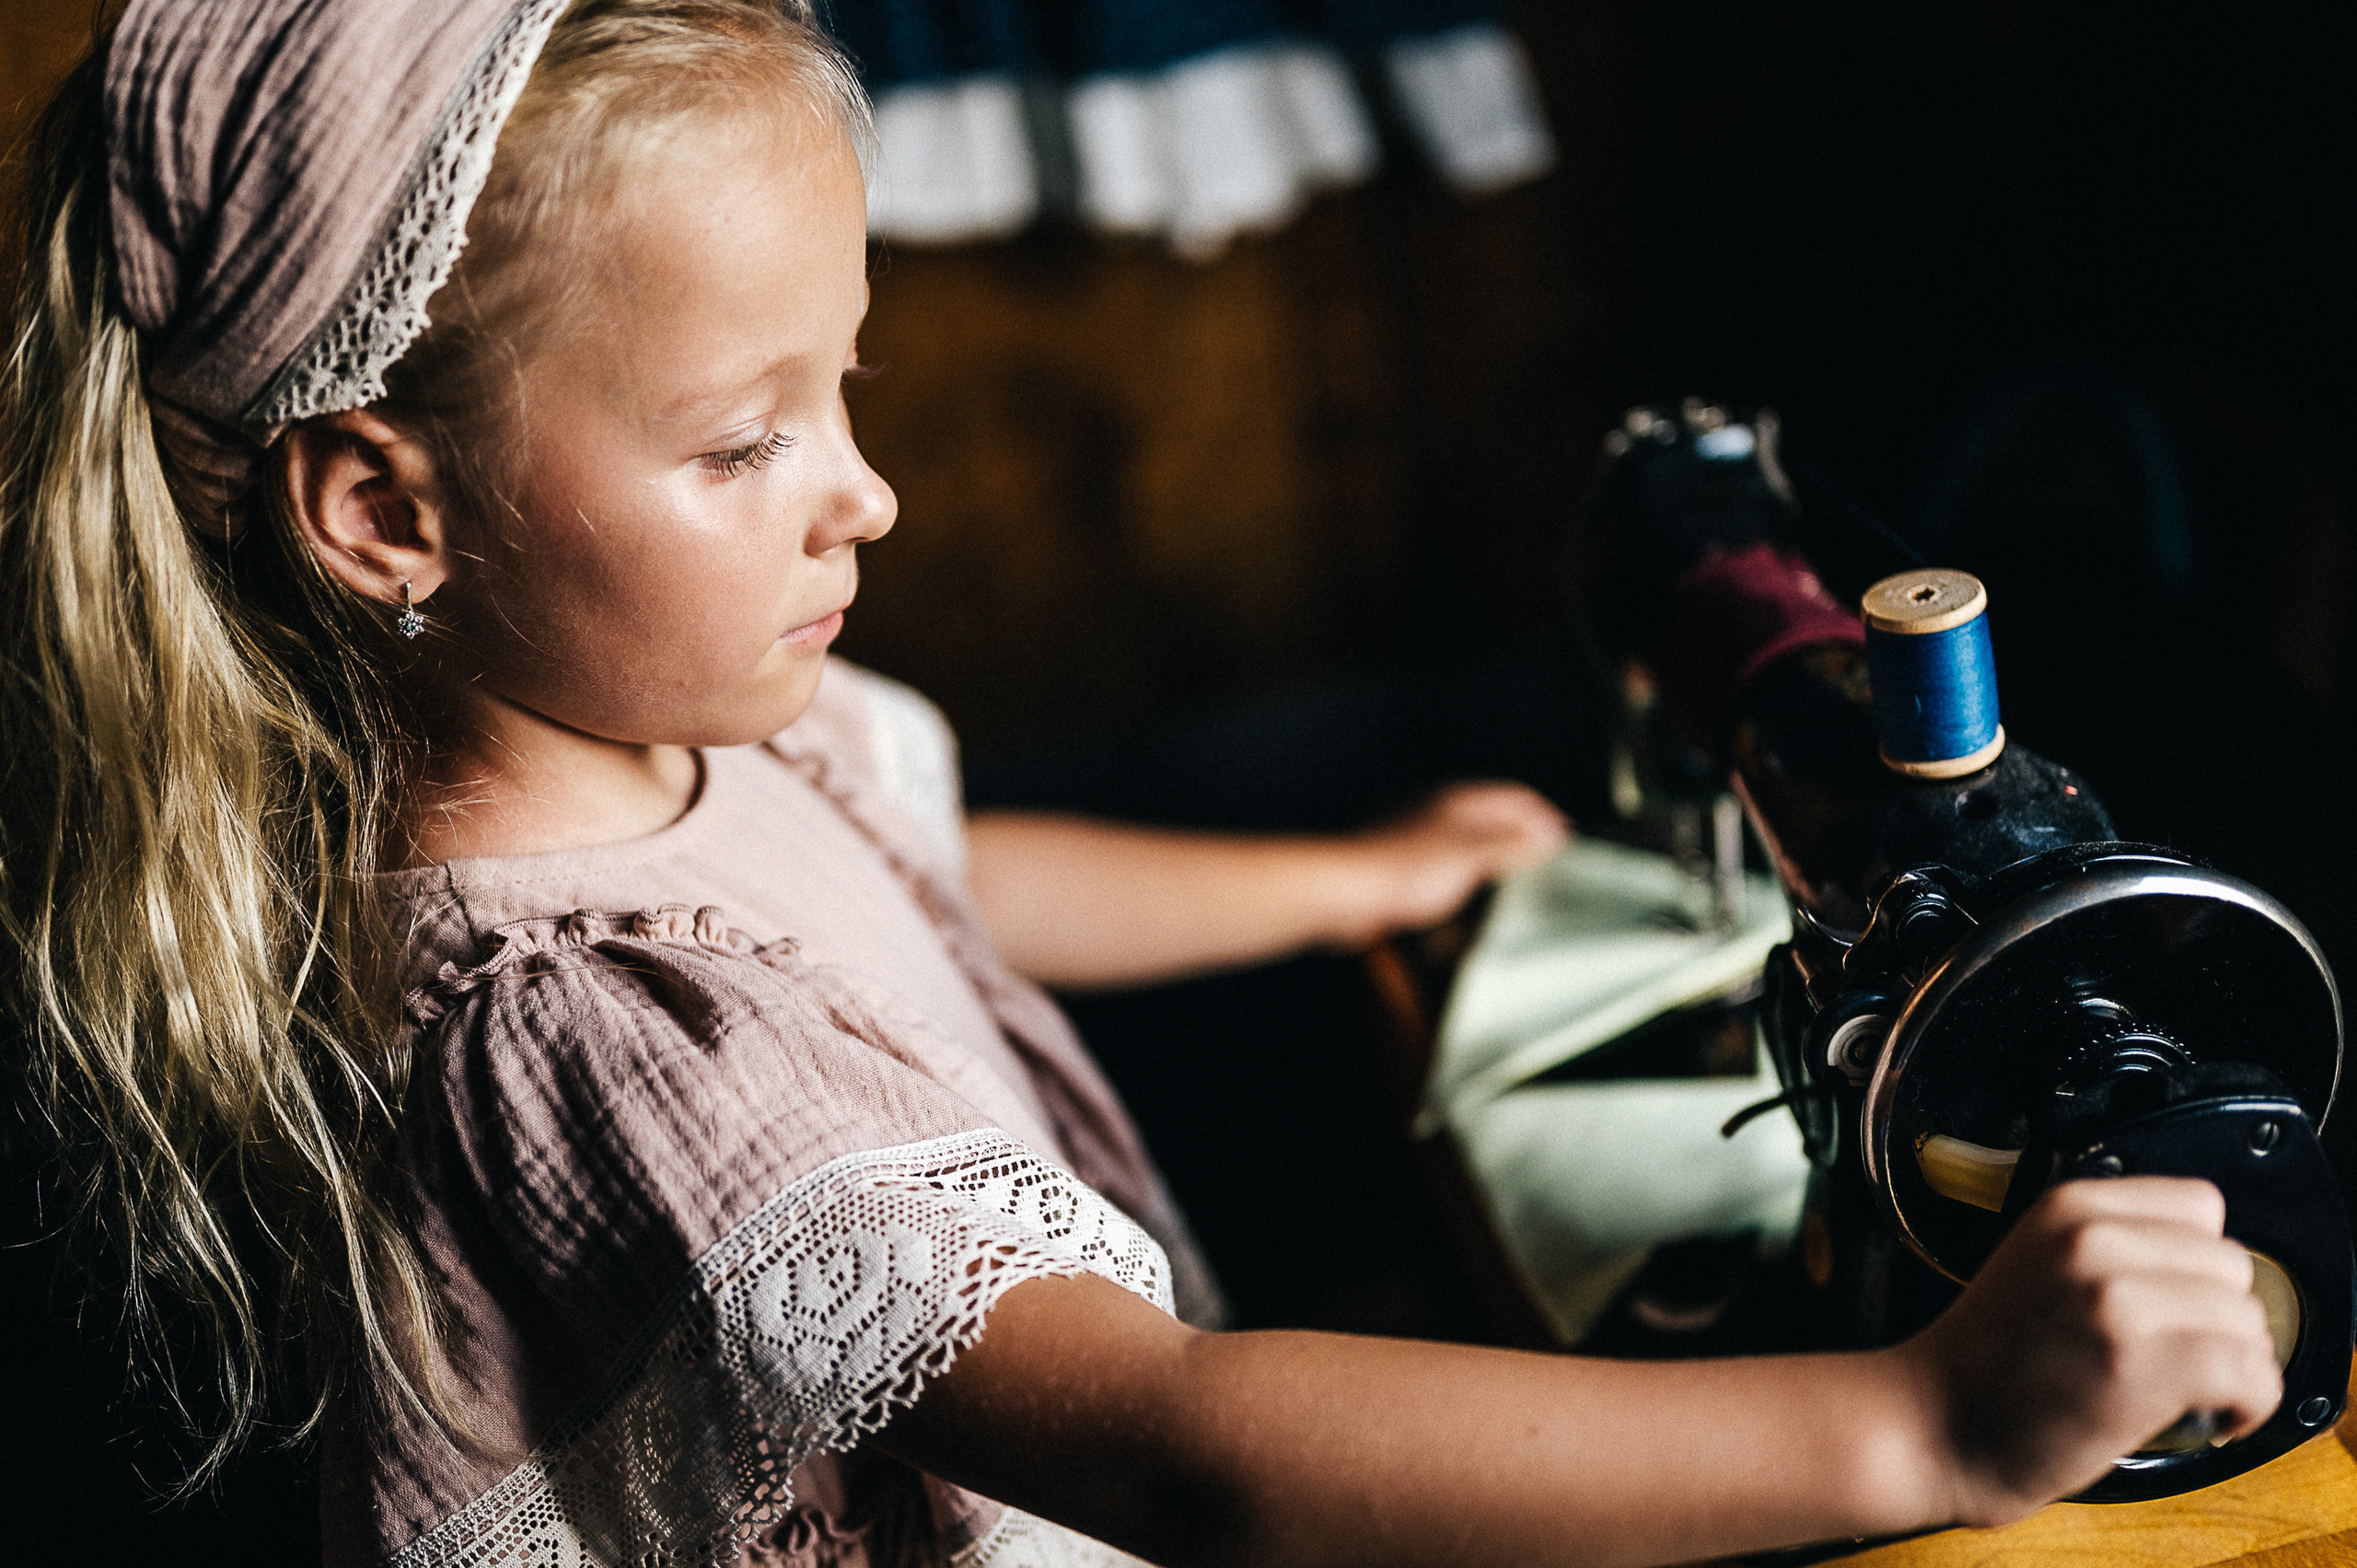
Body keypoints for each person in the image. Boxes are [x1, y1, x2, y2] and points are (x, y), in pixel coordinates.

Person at [0, 4, 2282, 1566]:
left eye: (844, 391)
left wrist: (1335, 876)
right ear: (384, 514)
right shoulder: (592, 1026)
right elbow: (1191, 1450)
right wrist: (1925, 1425)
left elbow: (927, 869)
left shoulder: (663, 744)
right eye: (742, 438)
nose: (863, 498)